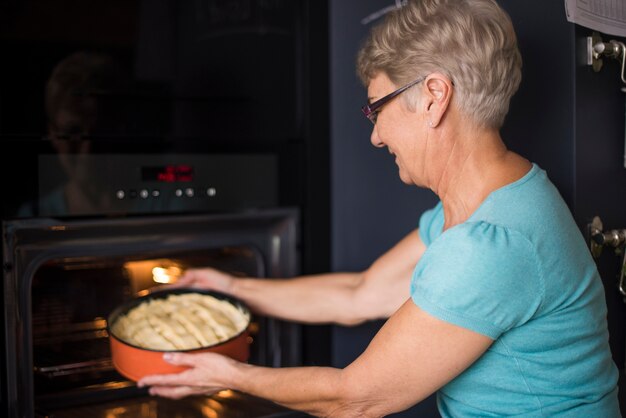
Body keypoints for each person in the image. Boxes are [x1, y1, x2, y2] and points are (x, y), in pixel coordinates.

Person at [138, 0, 621, 416]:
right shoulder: (492, 203)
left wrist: (228, 374)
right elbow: (360, 293)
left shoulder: (493, 244)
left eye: (377, 108)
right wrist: (229, 285)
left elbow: (357, 399)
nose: (374, 135)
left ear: (434, 98)